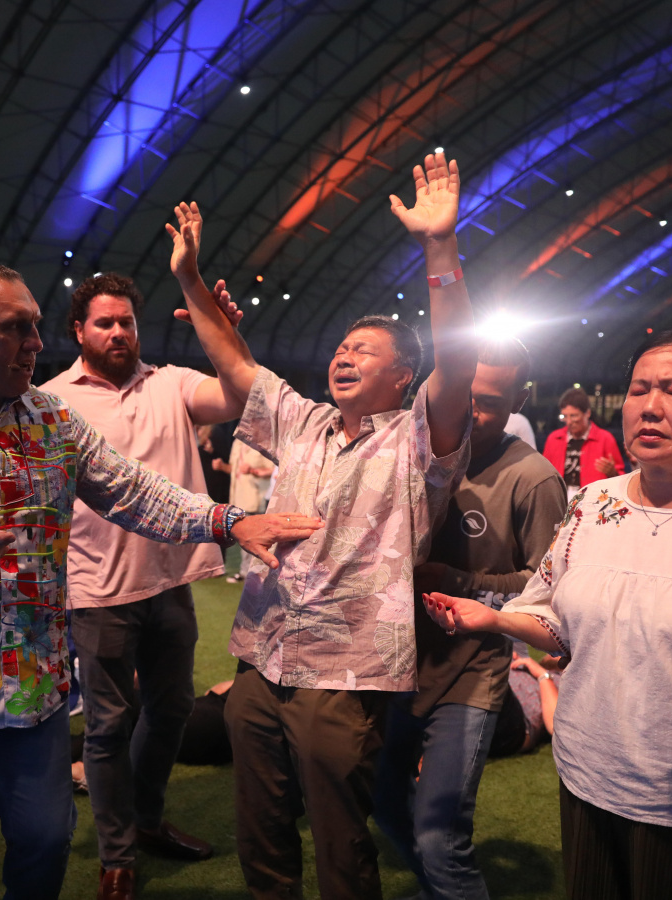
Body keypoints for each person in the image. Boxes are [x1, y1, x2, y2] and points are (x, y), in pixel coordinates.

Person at [0, 262, 316, 900]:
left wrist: (228, 520)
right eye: (15, 328)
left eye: (35, 326)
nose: (35, 342)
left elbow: (136, 491)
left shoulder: (51, 420)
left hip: (31, 684)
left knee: (46, 842)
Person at [167, 150, 475, 900]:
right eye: (341, 347)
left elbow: (460, 361)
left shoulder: (418, 439)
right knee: (261, 828)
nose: (344, 356)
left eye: (364, 351)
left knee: (340, 839)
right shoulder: (301, 421)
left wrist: (439, 247)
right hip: (261, 655)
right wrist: (191, 280)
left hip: (345, 673)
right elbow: (235, 363)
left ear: (402, 376)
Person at [426, 325, 672, 900]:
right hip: (588, 779)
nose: (650, 407)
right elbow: (556, 619)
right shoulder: (592, 505)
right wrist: (495, 619)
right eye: (639, 389)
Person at [41, 271, 245, 897]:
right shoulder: (51, 401)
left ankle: (146, 820)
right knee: (107, 725)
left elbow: (240, 396)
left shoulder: (171, 383)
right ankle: (117, 855)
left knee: (172, 709)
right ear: (79, 331)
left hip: (170, 581)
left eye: (126, 321)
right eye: (104, 322)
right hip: (97, 589)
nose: (118, 332)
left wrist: (224, 332)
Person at [371, 337, 566, 900]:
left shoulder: (532, 479)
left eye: (491, 402)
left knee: (440, 837)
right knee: (383, 800)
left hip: (469, 676)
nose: (472, 412)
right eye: (465, 394)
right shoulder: (404, 453)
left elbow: (550, 591)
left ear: (520, 401)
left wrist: (457, 582)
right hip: (392, 666)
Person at [543, 388, 625, 500]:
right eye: (565, 416)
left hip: (593, 501)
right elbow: (544, 473)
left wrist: (613, 473)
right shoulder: (554, 439)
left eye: (574, 416)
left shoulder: (605, 439)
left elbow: (622, 480)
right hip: (559, 499)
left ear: (587, 413)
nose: (569, 422)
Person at [224, 437, 274, 583]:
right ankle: (245, 572)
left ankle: (261, 574)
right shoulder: (238, 442)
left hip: (258, 498)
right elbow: (233, 469)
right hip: (240, 498)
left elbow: (276, 469)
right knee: (244, 537)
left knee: (261, 538)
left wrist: (253, 471)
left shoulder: (264, 442)